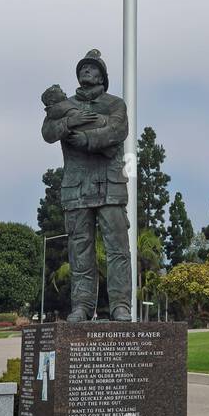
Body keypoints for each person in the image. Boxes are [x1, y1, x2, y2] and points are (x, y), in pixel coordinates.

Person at [40, 49, 132, 322]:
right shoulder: (64, 106)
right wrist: (70, 122)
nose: (86, 71)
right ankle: (81, 306)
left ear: (103, 75)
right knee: (80, 250)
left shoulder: (116, 104)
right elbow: (47, 133)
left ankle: (120, 305)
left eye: (92, 68)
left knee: (117, 250)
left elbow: (117, 131)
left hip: (110, 186)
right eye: (82, 68)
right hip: (76, 187)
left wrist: (88, 140)